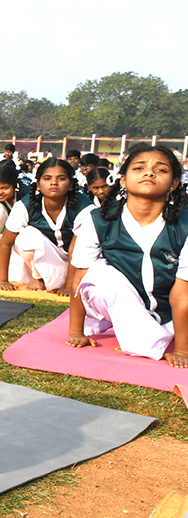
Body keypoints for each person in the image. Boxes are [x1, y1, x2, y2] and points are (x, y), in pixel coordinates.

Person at [66, 145, 188, 366]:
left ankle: (151, 337)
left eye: (160, 170)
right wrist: (76, 331)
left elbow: (182, 294)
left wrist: (182, 350)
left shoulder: (185, 225)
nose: (149, 173)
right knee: (100, 275)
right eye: (139, 168)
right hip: (118, 304)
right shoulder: (96, 219)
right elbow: (80, 277)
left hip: (171, 316)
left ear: (174, 183)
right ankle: (145, 339)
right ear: (123, 180)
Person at [0, 157, 87, 294]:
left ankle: (57, 280)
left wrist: (69, 287)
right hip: (41, 262)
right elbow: (6, 243)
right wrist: (3, 280)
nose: (54, 183)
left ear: (71, 185)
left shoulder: (85, 208)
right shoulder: (25, 205)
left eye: (61, 178)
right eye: (47, 178)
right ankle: (38, 278)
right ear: (38, 184)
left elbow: (76, 250)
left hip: (77, 266)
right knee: (26, 236)